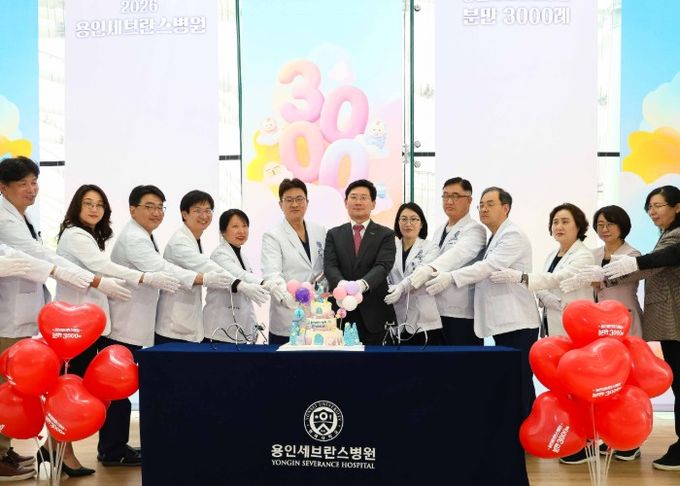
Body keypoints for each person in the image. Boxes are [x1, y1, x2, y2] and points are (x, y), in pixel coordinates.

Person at [0, 157, 127, 479]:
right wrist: (97, 281)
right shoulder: (6, 218)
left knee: (18, 388)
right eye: (23, 184)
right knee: (7, 388)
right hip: (14, 318)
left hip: (30, 316)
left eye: (34, 182)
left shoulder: (22, 216)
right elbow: (40, 256)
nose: (31, 189)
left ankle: (7, 450)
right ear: (3, 187)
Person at [53, 184, 180, 475]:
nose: (94, 209)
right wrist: (144, 278)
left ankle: (83, 450)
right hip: (75, 329)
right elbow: (102, 266)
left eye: (99, 204)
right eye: (88, 203)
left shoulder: (91, 236)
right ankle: (68, 452)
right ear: (133, 209)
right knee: (74, 388)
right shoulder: (76, 235)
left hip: (89, 326)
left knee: (94, 387)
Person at [102, 185, 217, 466]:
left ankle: (116, 447)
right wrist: (204, 278)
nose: (156, 213)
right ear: (132, 209)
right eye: (149, 206)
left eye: (159, 207)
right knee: (118, 390)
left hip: (135, 321)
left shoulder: (144, 235)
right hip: (123, 323)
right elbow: (161, 268)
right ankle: (112, 450)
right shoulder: (134, 238)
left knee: (123, 390)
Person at [422, 187, 540, 419]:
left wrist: (451, 277)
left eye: (490, 204)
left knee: (520, 380)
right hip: (503, 322)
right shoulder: (495, 236)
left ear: (505, 208)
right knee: (511, 380)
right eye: (482, 205)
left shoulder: (512, 235)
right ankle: (518, 427)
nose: (484, 209)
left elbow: (488, 267)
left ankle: (526, 429)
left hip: (518, 321)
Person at [587, 186, 680, 471]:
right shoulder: (665, 234)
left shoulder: (674, 236)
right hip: (666, 322)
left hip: (668, 319)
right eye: (649, 207)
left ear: (677, 207)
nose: (653, 212)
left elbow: (659, 261)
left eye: (658, 205)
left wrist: (622, 268)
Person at [490, 203, 594, 337]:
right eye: (555, 222)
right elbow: (544, 282)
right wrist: (542, 294)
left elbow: (559, 278)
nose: (559, 227)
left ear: (578, 226)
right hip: (551, 323)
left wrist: (522, 277)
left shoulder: (584, 255)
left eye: (565, 222)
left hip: (574, 325)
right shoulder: (552, 255)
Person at [409, 177, 486, 345]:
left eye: (455, 196)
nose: (449, 201)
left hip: (461, 313)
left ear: (469, 200)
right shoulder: (439, 230)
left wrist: (429, 268)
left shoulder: (475, 230)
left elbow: (458, 254)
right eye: (445, 196)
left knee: (462, 359)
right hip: (435, 311)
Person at [155, 190, 236, 344]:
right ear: (184, 214)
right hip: (172, 328)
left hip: (185, 322)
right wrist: (240, 284)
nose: (204, 215)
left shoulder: (193, 238)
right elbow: (206, 266)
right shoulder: (180, 241)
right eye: (197, 210)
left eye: (208, 210)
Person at [324, 179, 396, 345]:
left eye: (364, 198)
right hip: (340, 311)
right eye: (354, 197)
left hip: (374, 313)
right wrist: (342, 285)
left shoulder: (386, 235)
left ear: (373, 204)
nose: (358, 202)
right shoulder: (333, 234)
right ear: (346, 202)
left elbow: (383, 266)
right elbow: (330, 265)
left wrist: (361, 285)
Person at [261, 178, 326, 344]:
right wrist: (286, 297)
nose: (295, 204)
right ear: (280, 204)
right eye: (289, 200)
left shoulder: (319, 230)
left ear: (307, 202)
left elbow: (326, 267)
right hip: (287, 317)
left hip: (318, 318)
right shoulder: (273, 236)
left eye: (299, 199)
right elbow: (272, 274)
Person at [203, 209, 269, 343]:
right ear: (223, 231)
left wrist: (253, 326)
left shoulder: (243, 256)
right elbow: (239, 275)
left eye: (245, 226)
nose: (242, 231)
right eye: (235, 226)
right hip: (218, 331)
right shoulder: (219, 255)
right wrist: (265, 283)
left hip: (239, 331)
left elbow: (247, 299)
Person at [384, 203, 443, 345]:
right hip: (396, 315)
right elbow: (384, 272)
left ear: (421, 223)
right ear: (398, 222)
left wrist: (401, 287)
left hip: (423, 318)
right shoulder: (390, 247)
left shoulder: (431, 247)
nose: (408, 223)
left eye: (414, 219)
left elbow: (422, 273)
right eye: (403, 219)